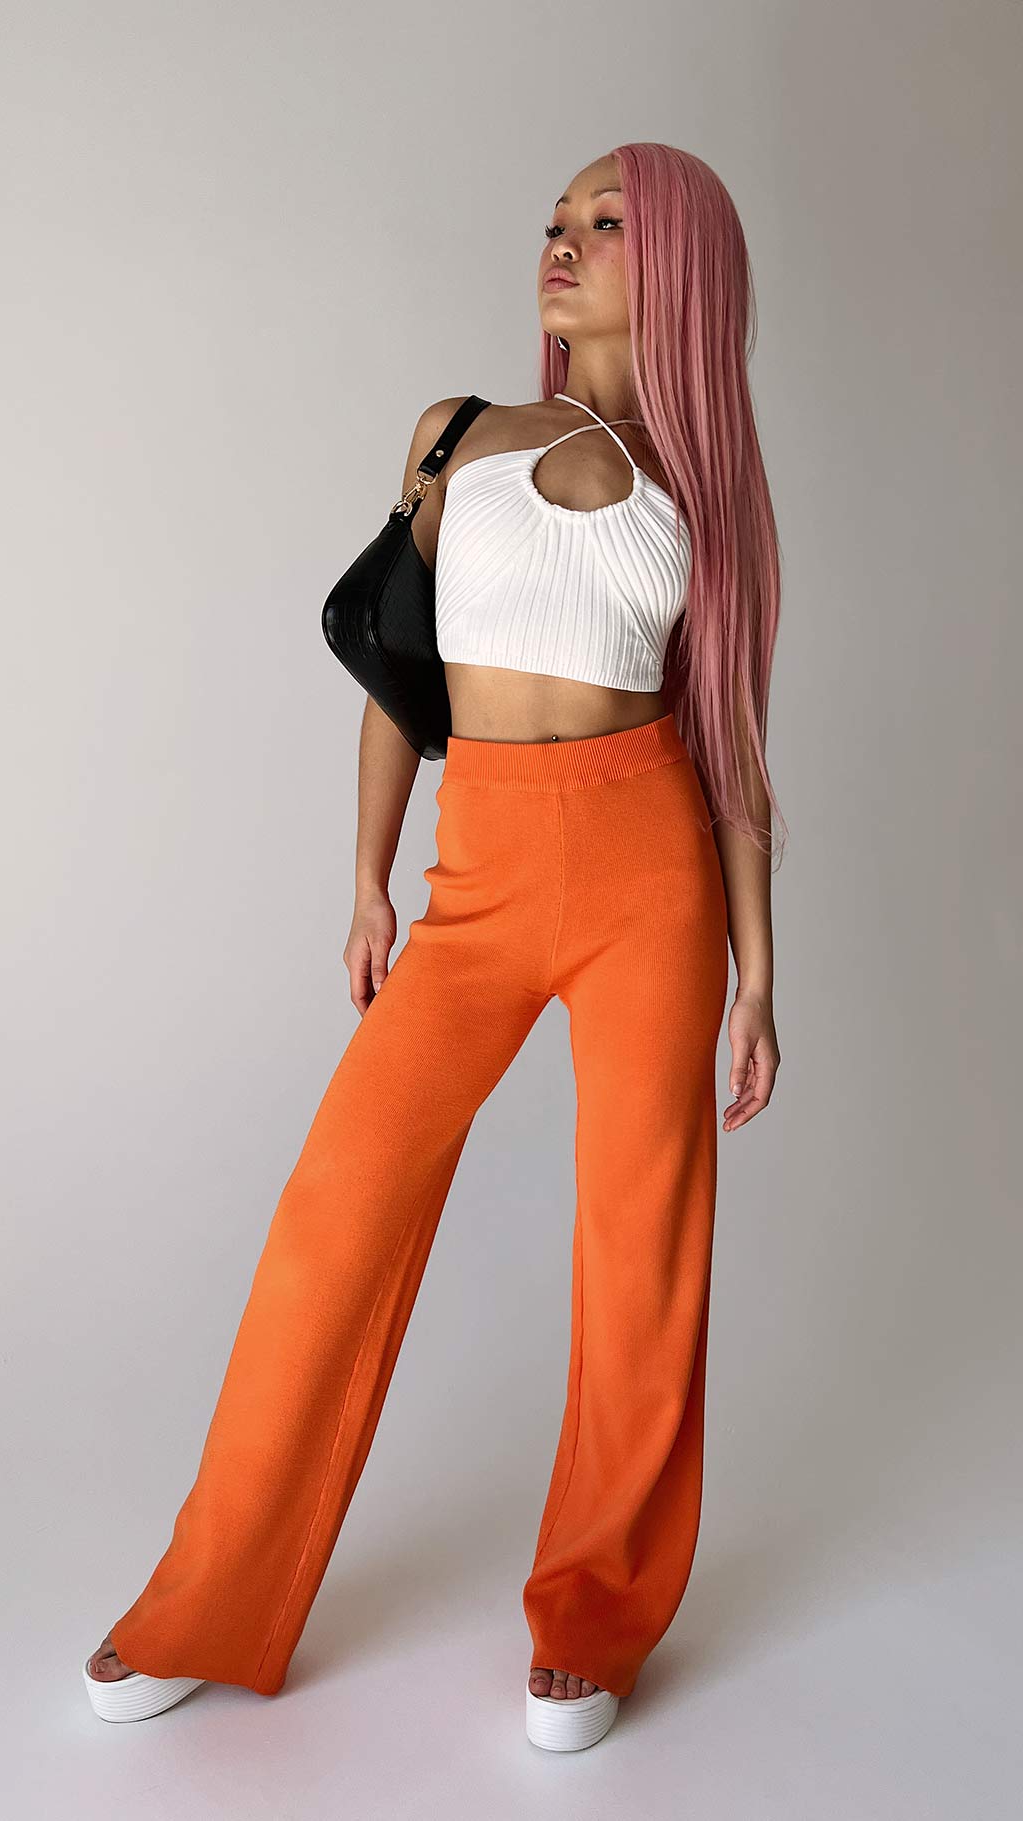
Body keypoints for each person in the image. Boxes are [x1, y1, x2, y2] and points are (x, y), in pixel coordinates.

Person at [82, 140, 786, 1752]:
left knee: (638, 1248)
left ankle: (593, 1613)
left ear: (681, 263)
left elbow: (737, 750)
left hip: (651, 871)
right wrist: (367, 881)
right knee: (334, 1214)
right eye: (555, 221)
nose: (563, 243)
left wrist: (759, 976)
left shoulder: (708, 488)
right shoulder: (455, 434)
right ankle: (209, 1594)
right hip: (481, 871)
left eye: (605, 222)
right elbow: (396, 675)